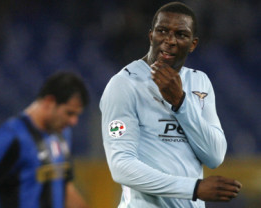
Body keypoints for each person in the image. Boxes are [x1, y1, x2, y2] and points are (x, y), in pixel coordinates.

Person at [100, 2, 242, 207]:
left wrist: (181, 103)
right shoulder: (124, 84)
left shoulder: (199, 82)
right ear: (151, 36)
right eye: (162, 31)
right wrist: (194, 188)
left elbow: (215, 155)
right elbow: (121, 166)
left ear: (193, 44)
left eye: (181, 34)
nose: (169, 41)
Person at [0, 72, 90, 208]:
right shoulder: (12, 136)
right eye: (69, 113)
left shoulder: (62, 134)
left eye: (77, 115)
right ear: (49, 102)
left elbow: (64, 187)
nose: (74, 121)